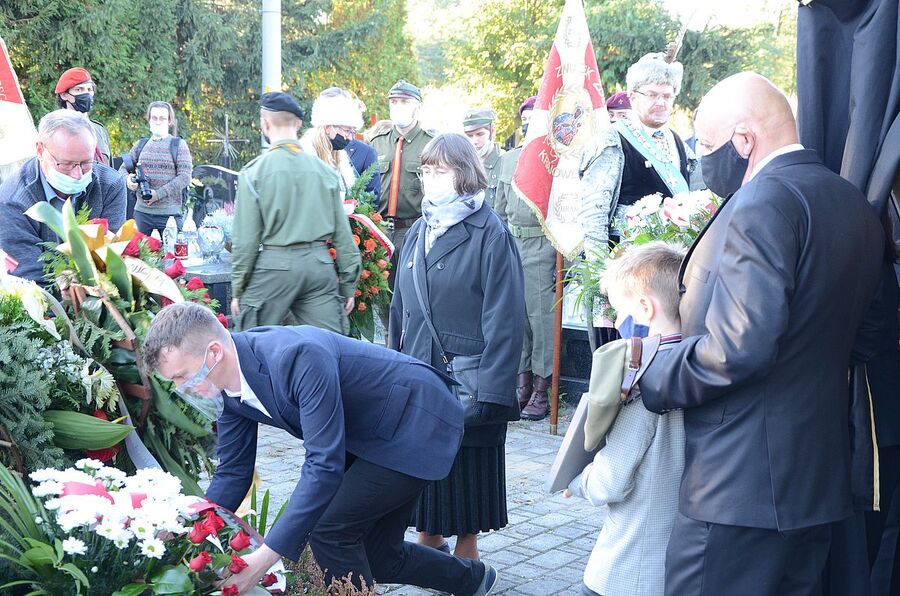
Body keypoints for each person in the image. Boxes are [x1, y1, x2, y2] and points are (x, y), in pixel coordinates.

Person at [636, 72, 884, 595]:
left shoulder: (763, 203)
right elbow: (873, 335)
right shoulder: (852, 202)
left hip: (737, 486)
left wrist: (655, 370)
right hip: (816, 480)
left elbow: (736, 350)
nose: (702, 160)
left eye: (706, 146)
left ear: (744, 141)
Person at [141, 302, 499, 595]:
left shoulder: (296, 357)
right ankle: (472, 579)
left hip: (415, 421)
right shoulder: (229, 387)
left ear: (214, 352)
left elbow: (323, 465)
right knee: (376, 554)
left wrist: (264, 559)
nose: (184, 389)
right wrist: (188, 526)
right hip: (366, 434)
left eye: (182, 377)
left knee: (331, 531)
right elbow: (233, 474)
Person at [388, 133, 525, 561]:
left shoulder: (490, 232)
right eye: (426, 170)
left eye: (440, 170)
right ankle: (429, 535)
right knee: (423, 456)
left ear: (464, 174)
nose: (430, 179)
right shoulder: (419, 229)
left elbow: (505, 318)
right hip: (419, 366)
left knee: (468, 463)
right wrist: (393, 367)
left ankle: (468, 551)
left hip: (468, 370)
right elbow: (399, 306)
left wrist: (492, 390)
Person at [566, 241, 686, 596]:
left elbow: (609, 482)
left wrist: (576, 480)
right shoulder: (699, 361)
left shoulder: (642, 377)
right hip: (679, 560)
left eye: (619, 311)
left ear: (645, 307)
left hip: (631, 566)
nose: (617, 322)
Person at [230, 92, 360, 334]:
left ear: (265, 124)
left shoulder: (254, 173)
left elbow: (246, 242)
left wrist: (239, 288)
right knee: (330, 344)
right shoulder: (325, 172)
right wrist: (348, 286)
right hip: (319, 266)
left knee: (251, 342)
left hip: (275, 267)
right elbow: (343, 237)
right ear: (299, 124)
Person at [0, 109, 125, 282]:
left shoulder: (111, 185)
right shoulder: (12, 200)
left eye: (86, 163)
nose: (78, 174)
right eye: (65, 164)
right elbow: (29, 276)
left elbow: (112, 257)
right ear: (40, 150)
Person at [493, 95, 557, 420]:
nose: (532, 122)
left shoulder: (555, 160)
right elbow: (500, 210)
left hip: (544, 247)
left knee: (542, 319)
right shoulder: (509, 160)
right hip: (513, 245)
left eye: (538, 117)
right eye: (527, 117)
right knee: (515, 317)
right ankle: (522, 382)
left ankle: (542, 388)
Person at [371, 80, 435, 329]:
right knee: (383, 295)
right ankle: (391, 343)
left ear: (417, 107)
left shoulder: (430, 143)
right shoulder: (378, 142)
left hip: (414, 229)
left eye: (405, 102)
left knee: (414, 290)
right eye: (394, 102)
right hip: (381, 232)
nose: (398, 107)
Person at [119, 101, 193, 235]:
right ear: (149, 119)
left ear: (170, 121)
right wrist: (128, 180)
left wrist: (158, 194)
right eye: (154, 118)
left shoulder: (178, 145)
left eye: (162, 118)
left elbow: (185, 177)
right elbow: (122, 169)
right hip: (142, 214)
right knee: (138, 255)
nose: (158, 122)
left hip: (170, 216)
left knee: (171, 255)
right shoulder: (140, 145)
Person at [314, 87, 381, 199]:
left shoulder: (365, 152)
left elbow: (371, 200)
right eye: (347, 131)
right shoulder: (305, 153)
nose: (350, 137)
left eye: (352, 131)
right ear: (327, 126)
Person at [54, 67, 111, 165]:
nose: (86, 94)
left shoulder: (99, 130)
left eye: (89, 89)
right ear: (64, 95)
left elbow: (110, 169)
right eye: (79, 89)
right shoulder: (54, 130)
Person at [462, 107, 502, 207]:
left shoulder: (505, 163)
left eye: (480, 134)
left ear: (492, 132)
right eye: (469, 136)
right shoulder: (462, 165)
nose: (474, 141)